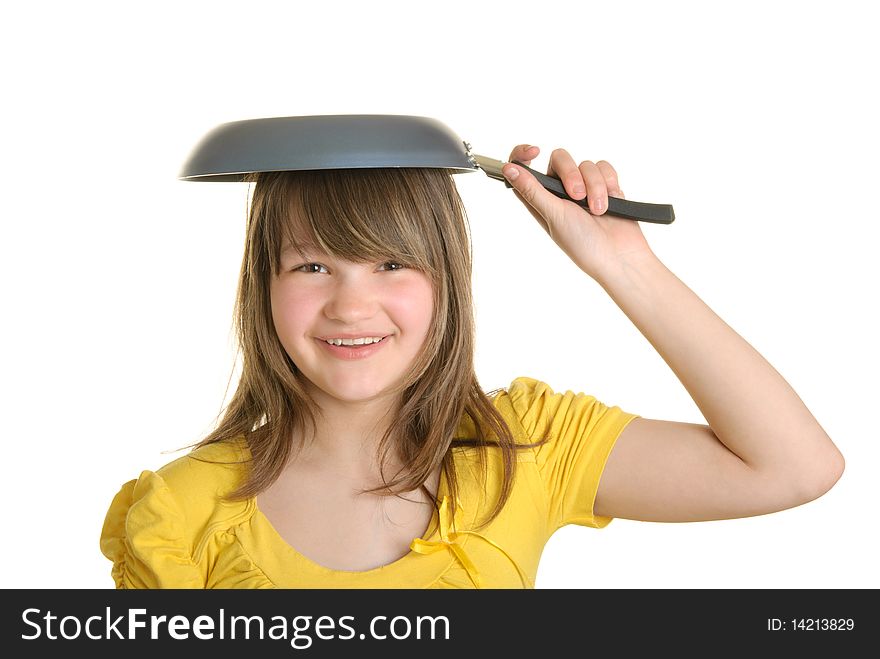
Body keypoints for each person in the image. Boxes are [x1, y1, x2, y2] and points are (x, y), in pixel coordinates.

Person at [99, 144, 845, 588]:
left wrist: (624, 264)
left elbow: (794, 466)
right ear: (263, 284)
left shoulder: (524, 447)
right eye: (313, 265)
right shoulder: (179, 511)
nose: (352, 307)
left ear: (445, 280)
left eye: (391, 262)